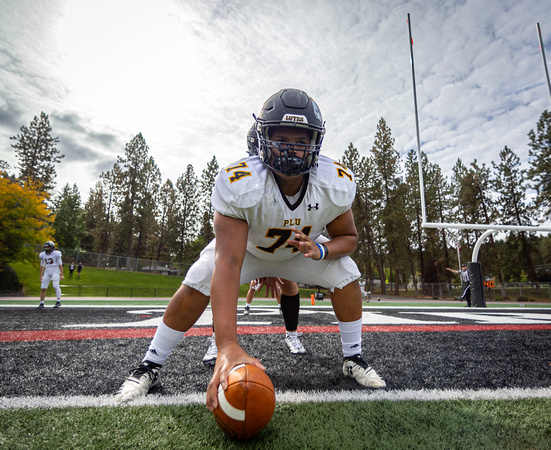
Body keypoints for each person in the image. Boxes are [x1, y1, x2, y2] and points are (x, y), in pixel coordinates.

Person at [115, 88, 386, 404]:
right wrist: (228, 343)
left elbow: (349, 238)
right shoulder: (242, 182)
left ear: (315, 143)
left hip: (299, 253)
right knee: (198, 278)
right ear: (264, 138)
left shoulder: (332, 182)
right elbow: (228, 260)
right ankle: (149, 364)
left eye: (301, 142)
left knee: (348, 275)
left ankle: (353, 357)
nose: (292, 151)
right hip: (248, 252)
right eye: (282, 140)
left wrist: (322, 250)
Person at [203, 277, 305, 367]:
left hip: (278, 257)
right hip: (251, 255)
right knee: (225, 279)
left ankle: (291, 334)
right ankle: (219, 340)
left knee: (289, 283)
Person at [38, 241, 63, 308]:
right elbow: (42, 265)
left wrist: (61, 274)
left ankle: (58, 302)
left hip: (55, 270)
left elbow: (60, 264)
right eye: (46, 247)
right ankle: (41, 303)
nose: (46, 248)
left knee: (55, 285)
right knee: (43, 287)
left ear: (52, 247)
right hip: (47, 270)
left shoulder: (56, 254)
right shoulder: (42, 255)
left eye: (48, 247)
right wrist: (40, 275)